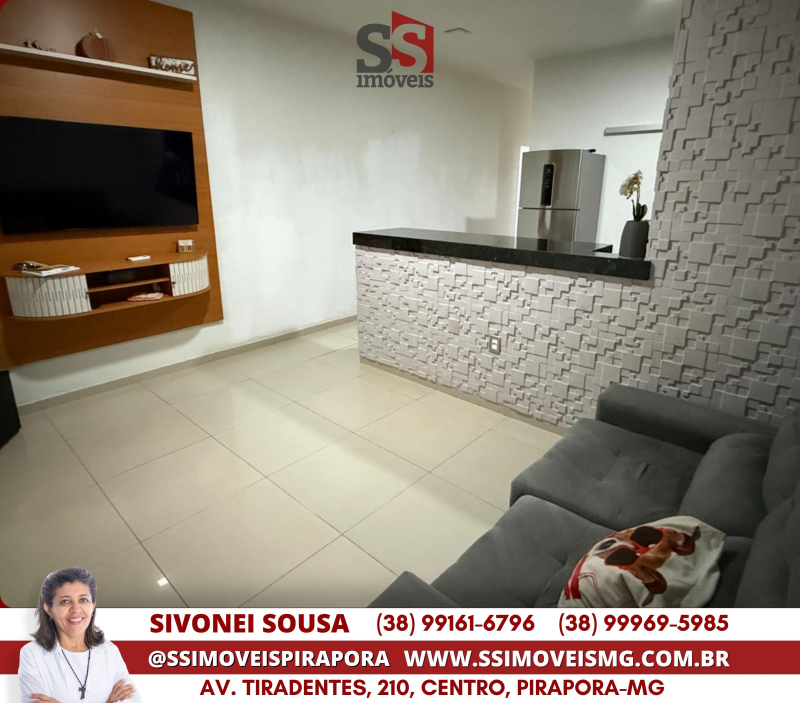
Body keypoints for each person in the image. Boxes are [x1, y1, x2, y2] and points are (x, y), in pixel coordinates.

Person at [18, 567, 142, 703]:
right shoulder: (32, 654)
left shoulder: (109, 651)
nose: (76, 609)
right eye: (65, 601)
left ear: (93, 605)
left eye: (83, 600)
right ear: (49, 609)